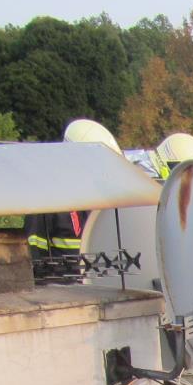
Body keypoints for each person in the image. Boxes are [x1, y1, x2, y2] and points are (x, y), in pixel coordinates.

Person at [26, 119, 120, 278]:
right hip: (59, 287)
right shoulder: (46, 198)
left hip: (96, 284)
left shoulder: (100, 200)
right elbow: (32, 250)